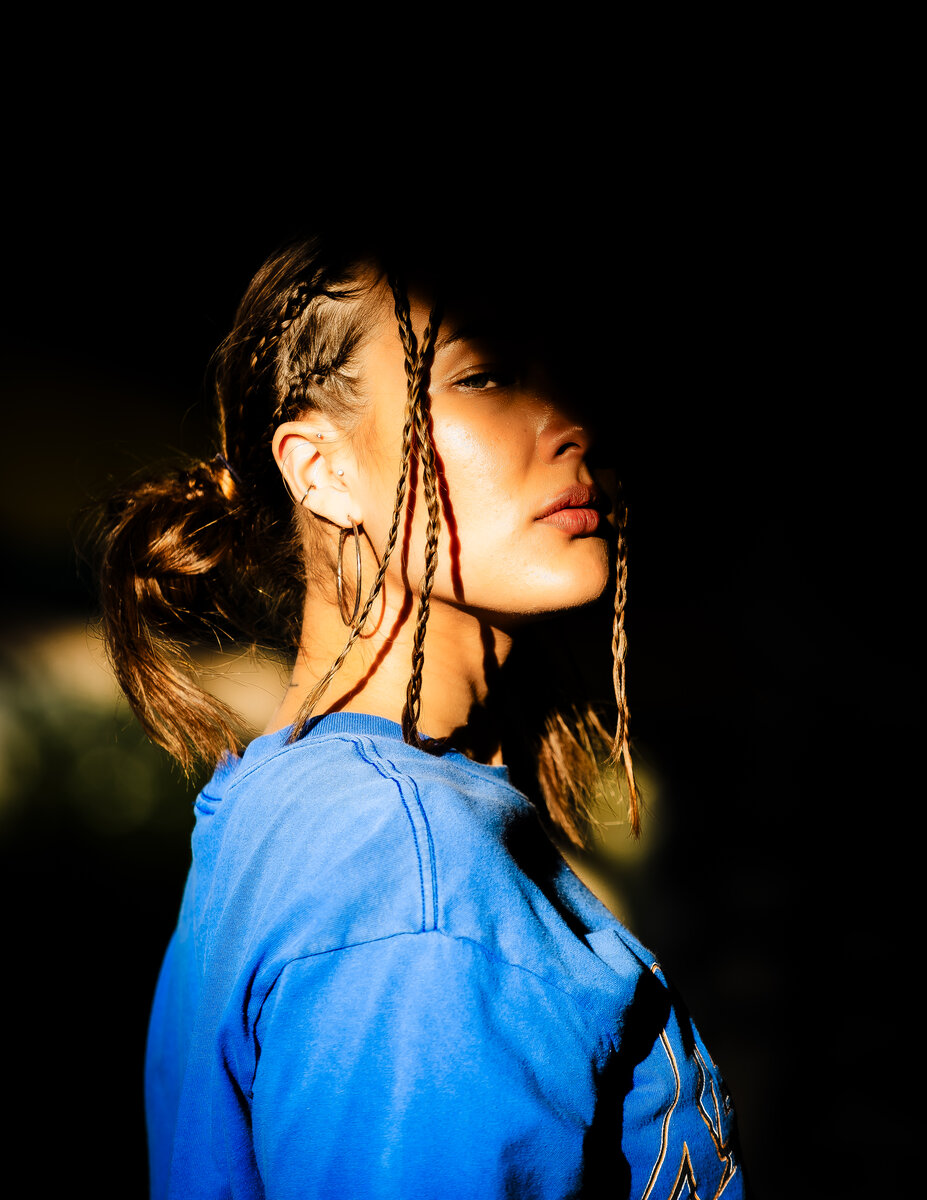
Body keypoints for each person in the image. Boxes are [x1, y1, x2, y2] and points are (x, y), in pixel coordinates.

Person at [99, 227, 747, 1198]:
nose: (569, 420)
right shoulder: (411, 871)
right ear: (320, 469)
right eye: (485, 377)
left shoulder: (286, 801)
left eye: (560, 376)